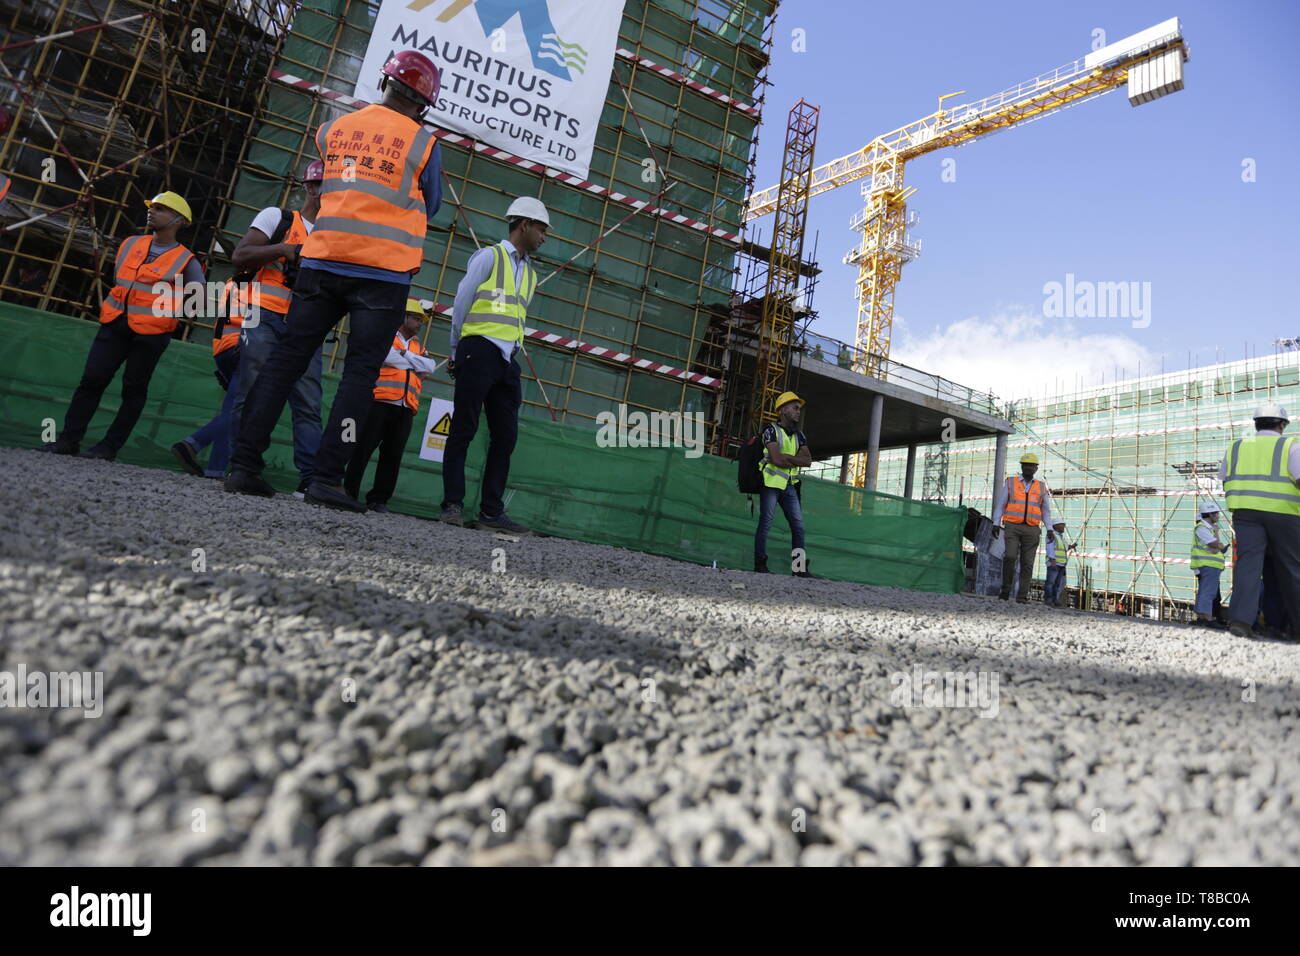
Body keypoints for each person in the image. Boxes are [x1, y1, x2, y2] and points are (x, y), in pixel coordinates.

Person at [226, 51, 443, 510]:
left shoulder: (334, 130)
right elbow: (434, 203)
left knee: (287, 360)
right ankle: (326, 480)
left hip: (322, 262)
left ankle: (244, 466)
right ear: (423, 102)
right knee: (359, 375)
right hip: (383, 274)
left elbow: (336, 186)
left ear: (384, 83)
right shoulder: (423, 144)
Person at [39, 192, 204, 460]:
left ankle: (108, 448)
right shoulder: (130, 244)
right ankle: (68, 441)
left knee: (133, 390)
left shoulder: (186, 260)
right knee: (92, 380)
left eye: (160, 209)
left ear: (178, 220)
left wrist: (166, 313)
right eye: (152, 207)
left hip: (151, 334)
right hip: (115, 324)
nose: (152, 212)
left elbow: (198, 301)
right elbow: (121, 280)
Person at [210, 160, 327, 494]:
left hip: (307, 326)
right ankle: (240, 470)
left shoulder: (333, 236)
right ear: (309, 187)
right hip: (263, 316)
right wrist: (285, 250)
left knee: (308, 404)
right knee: (250, 392)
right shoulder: (277, 218)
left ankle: (310, 480)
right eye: (321, 186)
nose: (327, 194)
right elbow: (241, 255)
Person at [439, 197, 548, 533]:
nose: (544, 236)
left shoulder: (530, 273)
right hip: (478, 350)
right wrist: (456, 350)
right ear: (524, 224)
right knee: (464, 429)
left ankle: (490, 512)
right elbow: (462, 302)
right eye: (541, 228)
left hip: (506, 359)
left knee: (506, 437)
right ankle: (452, 505)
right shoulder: (489, 256)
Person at [344, 298, 439, 512]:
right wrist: (413, 360)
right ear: (402, 317)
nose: (420, 322)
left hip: (405, 407)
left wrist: (404, 355)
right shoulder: (386, 337)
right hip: (381, 401)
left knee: (393, 456)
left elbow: (430, 366)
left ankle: (379, 500)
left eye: (421, 319)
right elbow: (386, 356)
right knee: (363, 449)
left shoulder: (417, 345)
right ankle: (349, 492)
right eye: (416, 317)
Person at [1220, 403, 1300, 640]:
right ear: (1282, 424)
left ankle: (1241, 622)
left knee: (1248, 566)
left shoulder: (1235, 447)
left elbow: (1224, 480)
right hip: (1285, 513)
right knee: (1292, 569)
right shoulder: (1290, 446)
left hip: (1245, 514)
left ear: (1256, 423)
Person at [170, 278, 245, 479]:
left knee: (233, 410)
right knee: (238, 411)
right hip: (243, 347)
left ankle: (215, 470)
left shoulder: (235, 279)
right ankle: (192, 444)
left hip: (223, 348)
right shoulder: (264, 279)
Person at [754, 391, 812, 575]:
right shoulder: (770, 430)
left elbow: (808, 461)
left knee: (799, 527)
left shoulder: (799, 435)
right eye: (795, 408)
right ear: (784, 410)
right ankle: (760, 565)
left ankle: (799, 569)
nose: (798, 412)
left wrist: (785, 457)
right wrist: (792, 458)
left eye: (799, 409)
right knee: (766, 523)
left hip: (789, 485)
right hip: (770, 483)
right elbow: (776, 460)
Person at [992, 452, 1057, 603]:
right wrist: (996, 522)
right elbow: (1001, 504)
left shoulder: (1041, 487)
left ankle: (1022, 596)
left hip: (1032, 529)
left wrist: (1050, 528)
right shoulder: (1011, 482)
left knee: (1027, 563)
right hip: (1012, 526)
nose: (1028, 468)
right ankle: (1005, 591)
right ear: (1021, 466)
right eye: (1025, 465)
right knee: (1010, 556)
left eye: (1031, 465)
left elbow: (1046, 510)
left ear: (1036, 468)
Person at [1190, 500, 1228, 625]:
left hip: (1209, 565)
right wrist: (1217, 533)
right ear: (1210, 515)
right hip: (1208, 565)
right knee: (1209, 592)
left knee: (1203, 591)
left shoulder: (1205, 528)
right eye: (1216, 514)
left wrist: (1218, 546)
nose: (1218, 516)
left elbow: (1216, 547)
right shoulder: (1202, 528)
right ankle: (1207, 617)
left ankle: (1201, 616)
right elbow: (1215, 544)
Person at [1043, 521, 1069, 607]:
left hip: (1061, 564)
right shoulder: (1052, 535)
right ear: (1056, 526)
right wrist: (1052, 561)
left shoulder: (1060, 537)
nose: (1064, 527)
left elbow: (1063, 548)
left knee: (1057, 584)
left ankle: (1054, 599)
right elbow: (1050, 548)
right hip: (1054, 563)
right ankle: (1048, 599)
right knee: (1050, 583)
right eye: (1062, 525)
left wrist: (1071, 546)